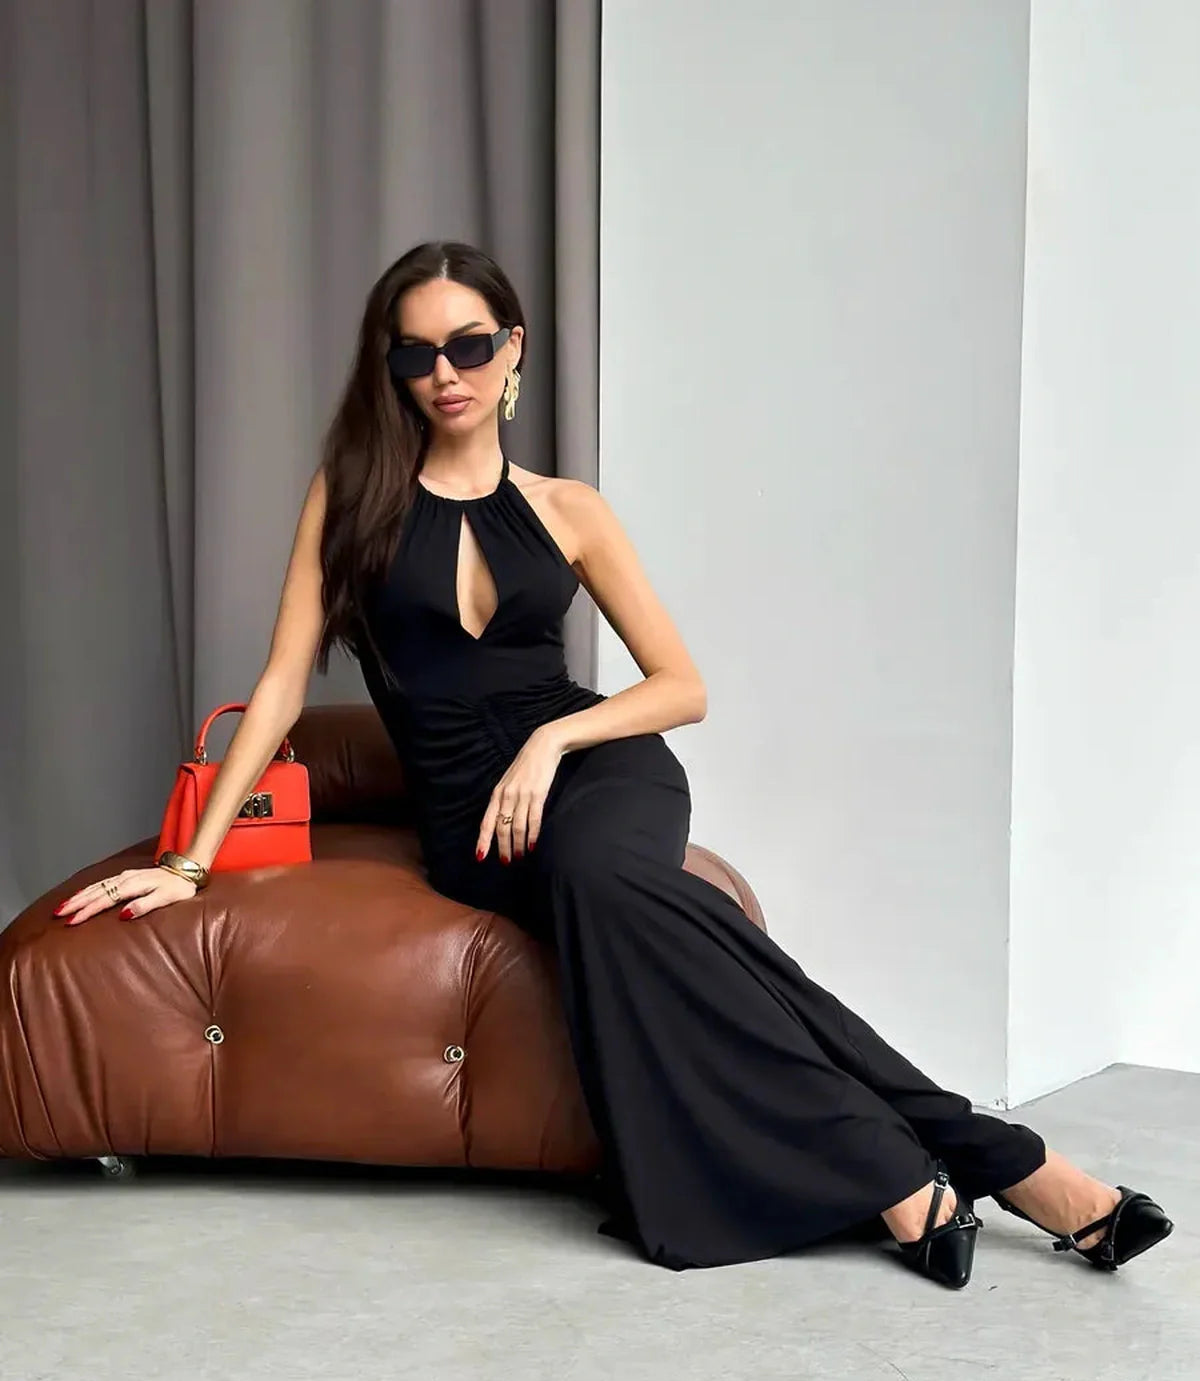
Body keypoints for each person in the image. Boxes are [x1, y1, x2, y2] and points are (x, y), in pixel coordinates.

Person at [53, 241, 1174, 1288]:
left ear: (514, 349)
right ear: (391, 369)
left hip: (601, 771)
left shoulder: (570, 509)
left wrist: (553, 740)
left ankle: (916, 1180)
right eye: (417, 354)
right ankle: (993, 1162)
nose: (446, 374)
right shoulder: (351, 501)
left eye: (470, 345)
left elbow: (681, 686)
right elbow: (283, 685)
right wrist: (189, 865)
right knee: (658, 915)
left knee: (602, 876)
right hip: (476, 825)